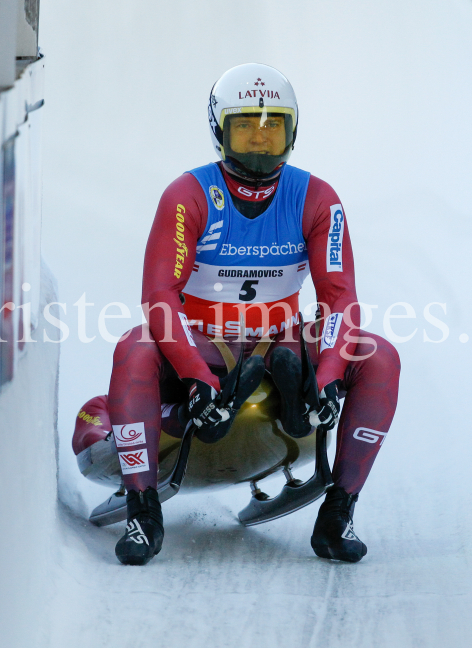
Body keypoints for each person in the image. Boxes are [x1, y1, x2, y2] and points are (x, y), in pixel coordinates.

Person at [71, 63, 400, 565]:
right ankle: (144, 509)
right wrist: (195, 374)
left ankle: (337, 513)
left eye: (273, 128)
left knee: (378, 357)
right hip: (205, 342)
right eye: (245, 127)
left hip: (281, 340)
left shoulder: (318, 198)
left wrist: (332, 373)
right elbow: (160, 297)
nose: (260, 142)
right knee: (134, 349)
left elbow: (339, 299)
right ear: (219, 131)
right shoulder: (188, 195)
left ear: (293, 132)